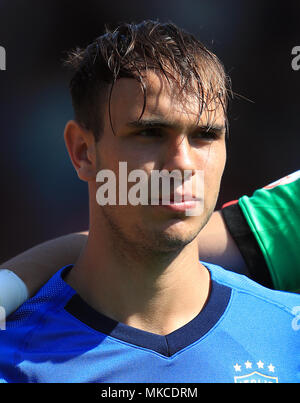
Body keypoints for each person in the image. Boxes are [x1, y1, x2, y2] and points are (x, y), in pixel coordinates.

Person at [0, 20, 299, 383]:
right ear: (82, 151)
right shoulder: (11, 359)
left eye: (206, 136)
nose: (183, 164)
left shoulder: (289, 337)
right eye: (150, 133)